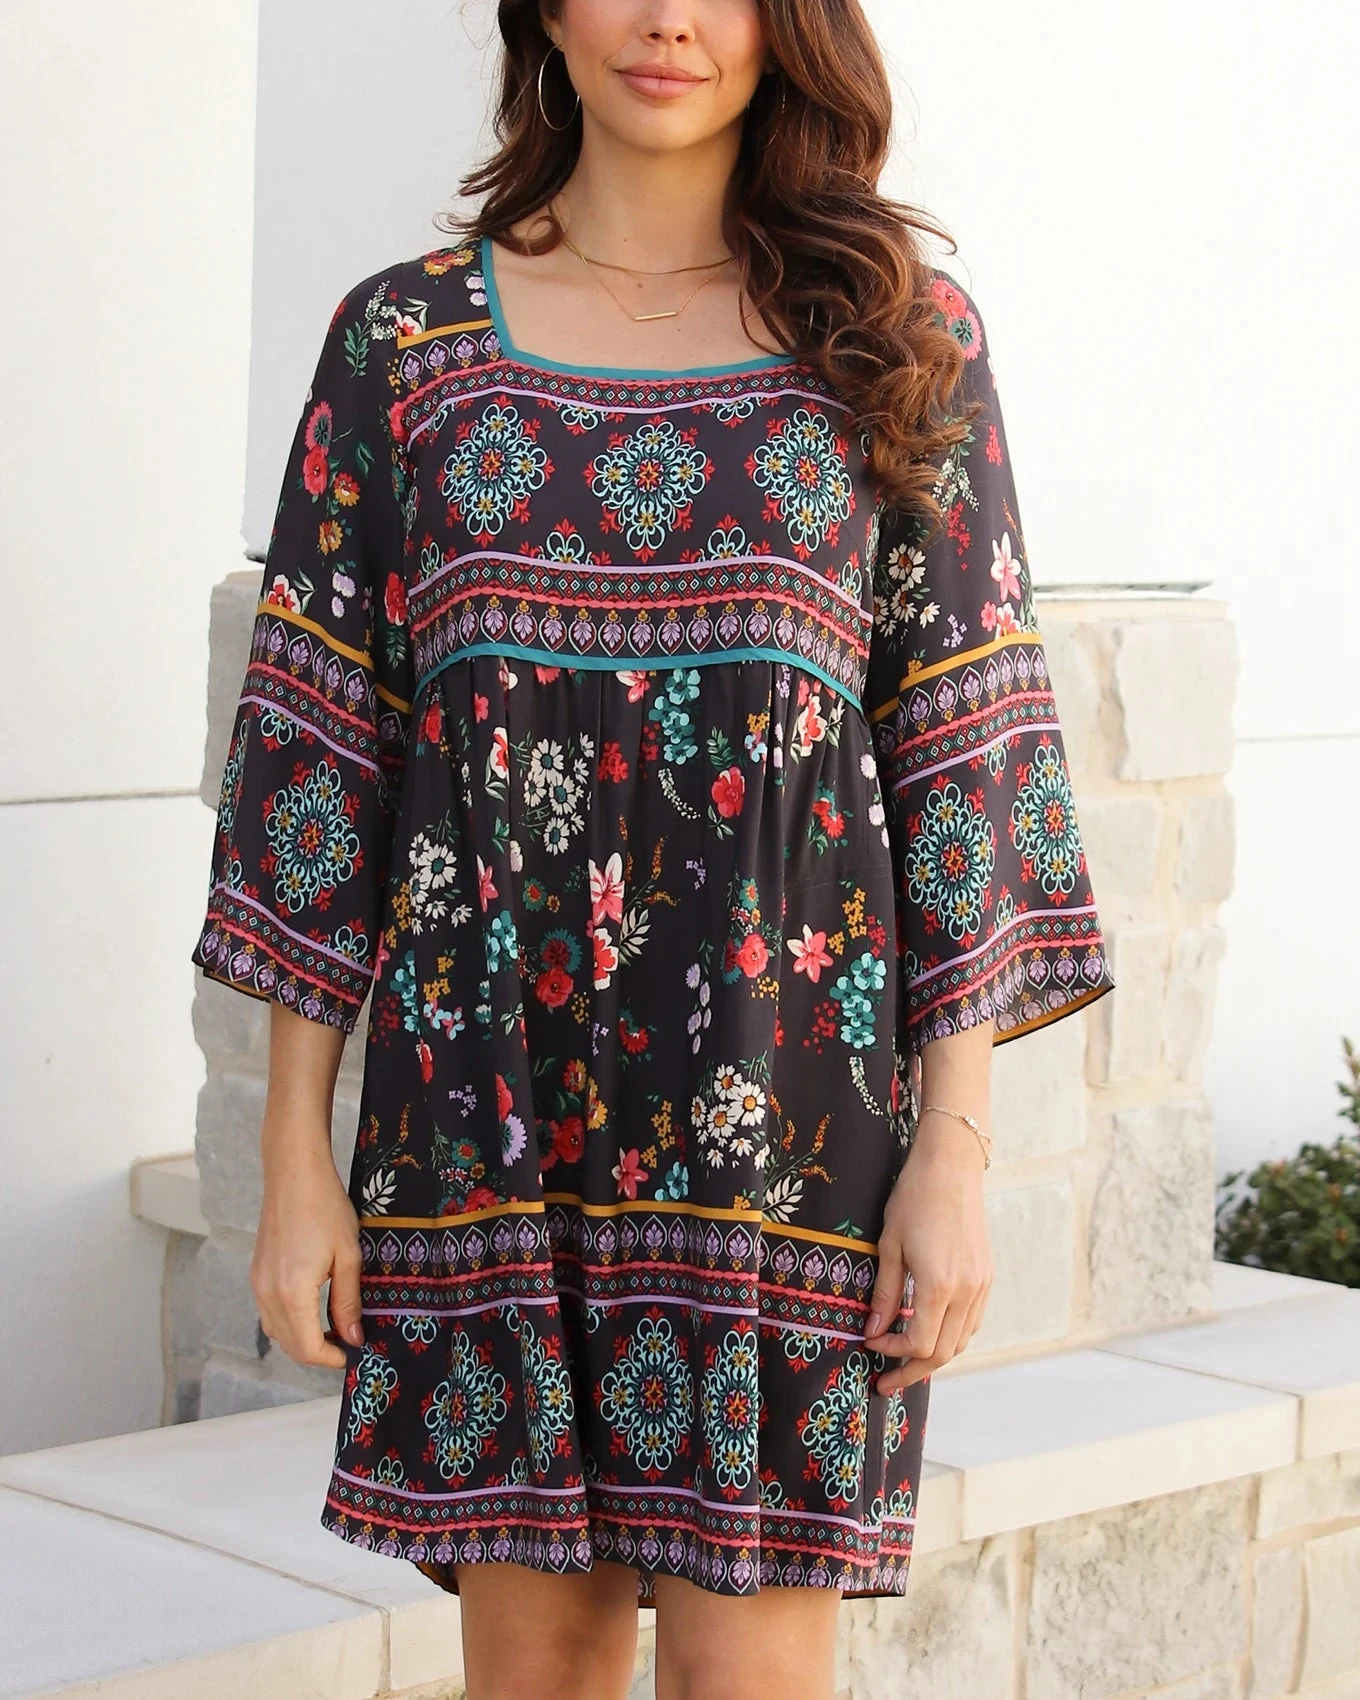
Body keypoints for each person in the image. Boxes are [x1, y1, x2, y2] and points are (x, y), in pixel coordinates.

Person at [190, 2, 1115, 1695]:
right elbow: (318, 765)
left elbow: (966, 760)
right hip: (480, 1123)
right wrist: (293, 1161)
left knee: (745, 1680)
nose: (671, 18)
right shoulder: (403, 348)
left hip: (788, 1144)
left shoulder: (891, 338)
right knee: (531, 1677)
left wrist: (956, 1155)